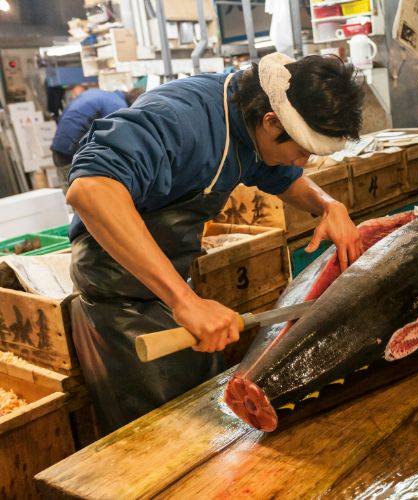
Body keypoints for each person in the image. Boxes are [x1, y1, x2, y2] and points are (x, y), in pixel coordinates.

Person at [65, 53, 365, 432]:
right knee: (161, 442)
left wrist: (327, 205)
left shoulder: (248, 123)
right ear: (272, 122)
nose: (303, 162)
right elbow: (90, 189)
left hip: (167, 289)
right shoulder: (180, 119)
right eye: (303, 151)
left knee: (206, 423)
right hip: (118, 302)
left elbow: (281, 175)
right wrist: (184, 301)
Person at [50, 85, 144, 169]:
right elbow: (117, 139)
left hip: (58, 146)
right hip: (70, 152)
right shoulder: (118, 106)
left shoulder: (101, 94)